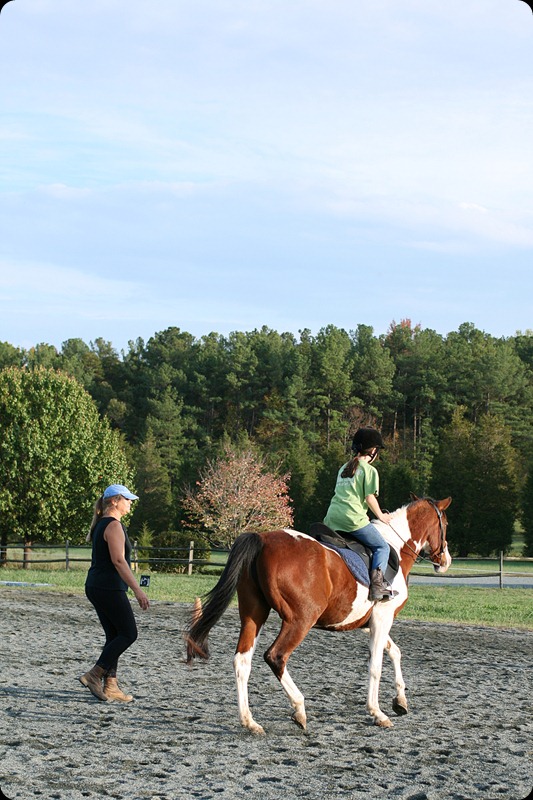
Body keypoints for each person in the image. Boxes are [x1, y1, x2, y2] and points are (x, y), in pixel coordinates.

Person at [78, 484, 150, 702]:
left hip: (96, 585)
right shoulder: (113, 526)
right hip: (108, 587)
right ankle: (94, 674)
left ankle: (111, 685)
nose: (130, 503)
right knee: (129, 634)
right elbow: (118, 560)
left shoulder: (102, 524)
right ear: (114, 501)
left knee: (114, 635)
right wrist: (138, 590)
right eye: (127, 499)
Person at [323, 427, 394, 601]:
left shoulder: (344, 468)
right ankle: (377, 587)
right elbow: (369, 498)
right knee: (382, 547)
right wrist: (381, 516)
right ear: (373, 451)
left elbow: (347, 495)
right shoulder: (370, 471)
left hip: (331, 519)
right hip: (352, 520)